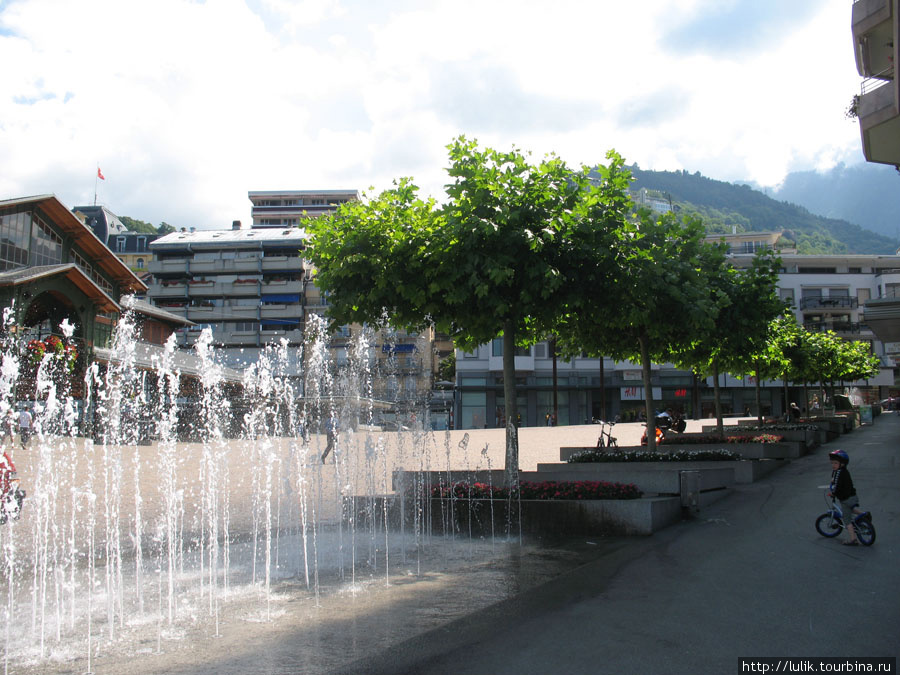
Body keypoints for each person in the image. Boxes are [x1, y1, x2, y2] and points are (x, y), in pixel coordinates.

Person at [827, 449, 862, 546]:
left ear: (842, 463)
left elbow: (837, 486)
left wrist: (833, 493)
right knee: (852, 508)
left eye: (835, 463)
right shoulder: (844, 471)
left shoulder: (838, 473)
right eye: (832, 463)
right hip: (853, 496)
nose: (833, 465)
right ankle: (864, 514)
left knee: (847, 520)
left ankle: (853, 539)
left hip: (845, 499)